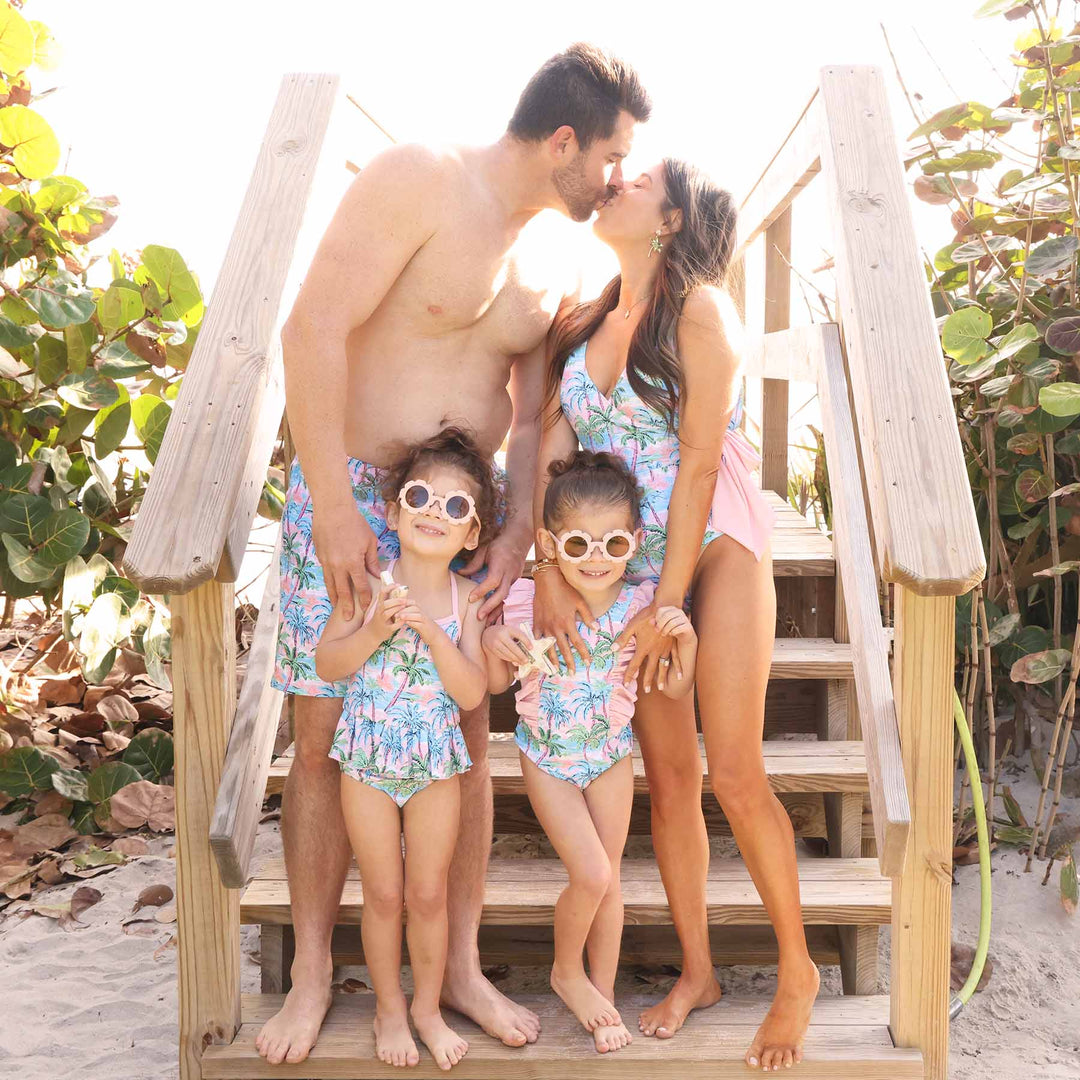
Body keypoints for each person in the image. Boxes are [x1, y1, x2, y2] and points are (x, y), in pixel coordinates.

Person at [259, 44, 652, 1066]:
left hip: (465, 526)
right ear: (564, 140)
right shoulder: (418, 180)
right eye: (611, 157)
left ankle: (462, 968)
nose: (615, 179)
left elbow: (526, 422)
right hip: (351, 496)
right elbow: (311, 331)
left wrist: (519, 532)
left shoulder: (553, 260)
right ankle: (309, 969)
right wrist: (339, 517)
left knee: (464, 739)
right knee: (319, 735)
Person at [532, 159, 820, 1070]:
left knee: (734, 772)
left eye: (642, 175)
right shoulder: (587, 318)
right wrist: (546, 569)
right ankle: (697, 972)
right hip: (627, 565)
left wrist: (666, 606)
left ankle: (798, 972)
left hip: (714, 546)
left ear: (672, 218)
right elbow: (552, 446)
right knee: (667, 772)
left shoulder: (698, 311)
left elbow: (698, 465)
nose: (617, 177)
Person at [483, 450, 697, 1056]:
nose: (597, 558)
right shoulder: (530, 602)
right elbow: (498, 685)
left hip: (608, 753)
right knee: (593, 872)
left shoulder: (643, 605)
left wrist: (688, 640)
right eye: (578, 546)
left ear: (635, 541)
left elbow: (674, 687)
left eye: (613, 544)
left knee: (611, 883)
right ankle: (565, 973)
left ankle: (598, 991)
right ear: (550, 545)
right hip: (546, 754)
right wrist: (496, 638)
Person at [315, 428, 500, 1071]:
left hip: (435, 764)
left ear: (471, 535)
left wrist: (434, 634)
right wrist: (374, 632)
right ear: (393, 511)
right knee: (384, 894)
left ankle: (426, 1005)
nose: (433, 511)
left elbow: (473, 693)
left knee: (427, 893)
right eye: (420, 496)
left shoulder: (466, 603)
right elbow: (329, 663)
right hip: (367, 759)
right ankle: (389, 1008)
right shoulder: (367, 586)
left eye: (455, 507)